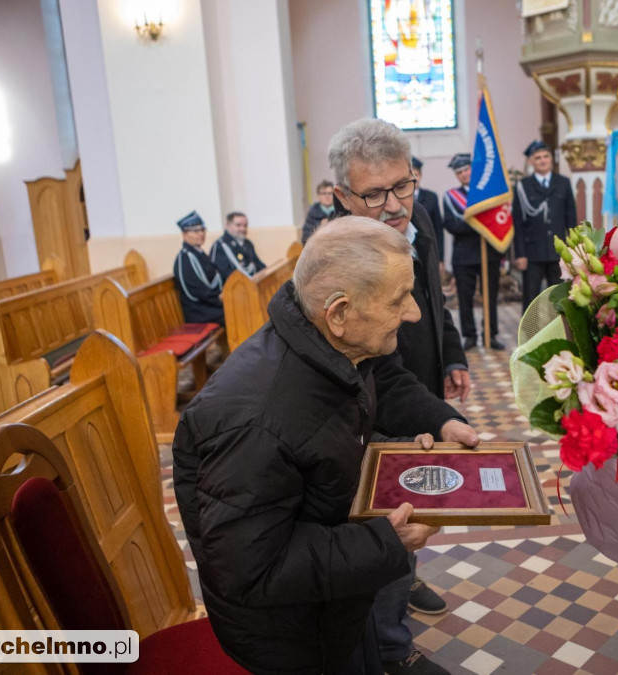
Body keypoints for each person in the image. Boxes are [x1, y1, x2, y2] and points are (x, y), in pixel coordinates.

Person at [173, 217, 480, 675]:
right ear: (338, 313)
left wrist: (439, 420)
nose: (414, 312)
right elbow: (252, 570)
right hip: (292, 638)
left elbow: (376, 385)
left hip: (334, 607)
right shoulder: (255, 421)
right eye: (399, 299)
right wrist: (384, 543)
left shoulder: (328, 345)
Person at [329, 118, 470, 675]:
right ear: (342, 195)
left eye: (402, 185)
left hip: (422, 389)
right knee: (387, 517)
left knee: (416, 511)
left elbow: (435, 296)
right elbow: (379, 375)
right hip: (373, 412)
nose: (393, 205)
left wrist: (453, 354)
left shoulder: (422, 214)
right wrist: (440, 414)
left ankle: (407, 580)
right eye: (373, 194)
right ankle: (390, 650)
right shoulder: (340, 258)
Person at [443, 153, 505, 351]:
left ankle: (491, 334)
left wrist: (471, 222)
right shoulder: (451, 196)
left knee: (490, 297)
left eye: (466, 169)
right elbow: (452, 226)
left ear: (473, 169)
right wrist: (480, 222)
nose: (463, 174)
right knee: (465, 298)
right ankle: (469, 336)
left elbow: (497, 221)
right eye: (459, 172)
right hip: (464, 256)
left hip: (489, 254)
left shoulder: (488, 193)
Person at [512, 140, 576, 312]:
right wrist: (520, 254)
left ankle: (560, 333)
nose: (542, 160)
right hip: (532, 253)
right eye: (538, 157)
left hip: (558, 252)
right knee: (531, 299)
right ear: (532, 161)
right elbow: (518, 223)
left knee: (559, 297)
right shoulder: (522, 187)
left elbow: (571, 219)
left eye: (545, 156)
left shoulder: (563, 183)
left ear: (551, 159)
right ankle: (529, 336)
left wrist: (572, 251)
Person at [172, 210, 225, 324]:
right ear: (185, 234)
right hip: (199, 312)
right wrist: (219, 299)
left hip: (209, 306)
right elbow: (198, 291)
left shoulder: (199, 253)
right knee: (237, 313)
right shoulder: (186, 258)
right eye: (195, 231)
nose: (201, 234)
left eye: (202, 230)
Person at [210, 211, 267, 282]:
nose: (242, 229)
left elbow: (257, 263)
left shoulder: (247, 243)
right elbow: (225, 273)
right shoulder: (220, 245)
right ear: (227, 225)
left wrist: (266, 272)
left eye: (245, 225)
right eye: (238, 225)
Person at [411, 156, 444, 262]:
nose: (413, 179)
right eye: (409, 176)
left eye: (415, 175)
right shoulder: (398, 199)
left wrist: (440, 258)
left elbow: (438, 229)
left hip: (428, 251)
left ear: (420, 175)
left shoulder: (431, 197)